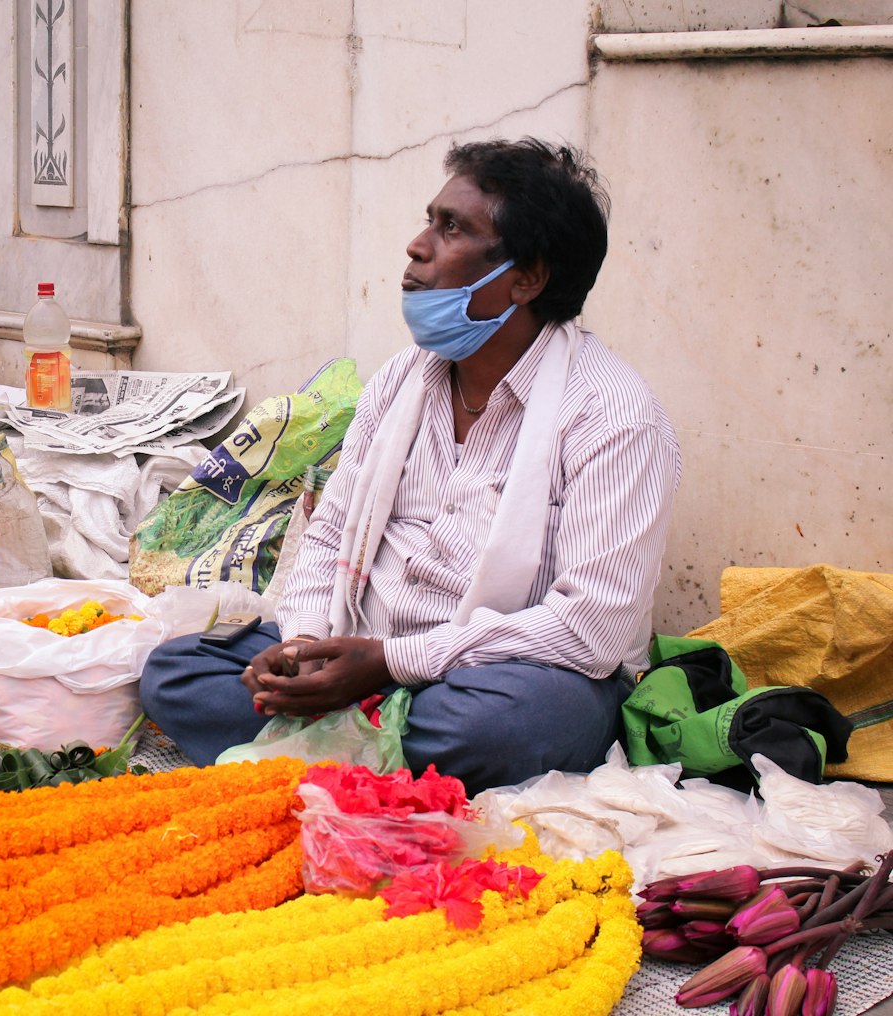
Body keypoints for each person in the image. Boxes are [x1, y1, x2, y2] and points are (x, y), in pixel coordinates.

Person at [141, 137, 681, 795]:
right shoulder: (403, 379)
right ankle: (361, 745)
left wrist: (390, 664)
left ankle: (322, 744)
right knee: (174, 673)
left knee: (517, 724)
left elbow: (590, 631)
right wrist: (306, 644)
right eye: (431, 220)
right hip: (360, 648)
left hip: (486, 681)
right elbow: (331, 532)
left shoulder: (613, 414)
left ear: (527, 276)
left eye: (452, 228)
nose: (417, 245)